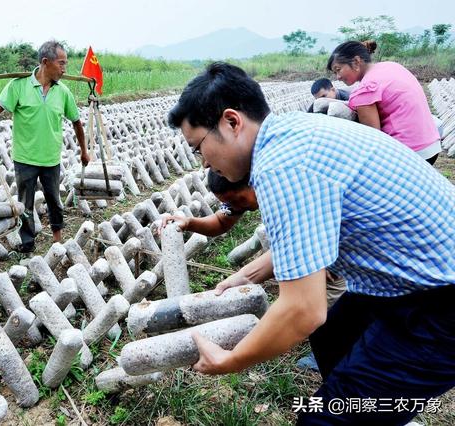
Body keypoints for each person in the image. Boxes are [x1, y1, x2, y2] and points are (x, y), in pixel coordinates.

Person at [168, 62, 455, 424]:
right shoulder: (291, 134)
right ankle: (380, 409)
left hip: (440, 301)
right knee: (332, 332)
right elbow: (308, 240)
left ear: (231, 122)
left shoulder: (282, 167)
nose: (203, 162)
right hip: (418, 277)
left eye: (199, 148)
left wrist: (233, 360)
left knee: (322, 419)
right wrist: (246, 277)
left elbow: (303, 310)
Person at [160, 168, 345, 372]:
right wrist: (190, 223)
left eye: (239, 200)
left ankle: (336, 354)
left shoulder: (285, 197)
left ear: (252, 183)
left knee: (331, 312)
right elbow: (221, 221)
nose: (236, 207)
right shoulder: (238, 196)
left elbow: (302, 307)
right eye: (229, 203)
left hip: (341, 252)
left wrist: (237, 358)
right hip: (316, 247)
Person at [0, 40, 90, 253]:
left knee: (54, 200)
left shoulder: (63, 92)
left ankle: (57, 238)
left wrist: (84, 150)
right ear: (46, 62)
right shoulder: (18, 86)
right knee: (24, 203)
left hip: (50, 157)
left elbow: (77, 122)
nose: (64, 69)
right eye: (61, 63)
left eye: (66, 64)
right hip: (25, 158)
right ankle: (27, 243)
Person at [328, 40, 441, 164]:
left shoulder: (364, 90)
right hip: (432, 142)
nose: (337, 77)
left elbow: (374, 138)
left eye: (338, 70)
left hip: (410, 151)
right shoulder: (391, 66)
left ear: (356, 62)